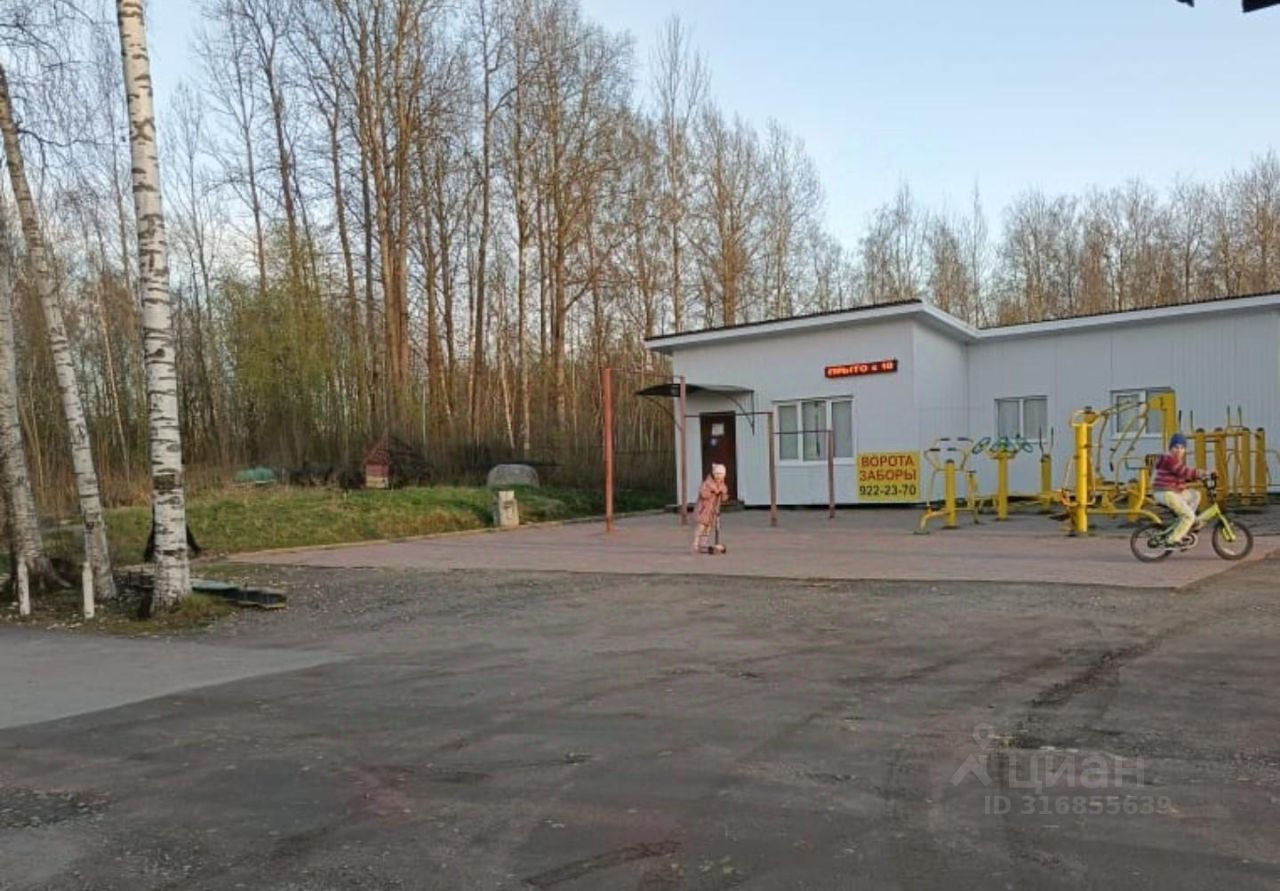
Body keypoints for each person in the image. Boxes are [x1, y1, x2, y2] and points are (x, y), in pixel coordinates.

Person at [1153, 432, 1211, 546]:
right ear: (1170, 448)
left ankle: (1186, 522)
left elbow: (1181, 475)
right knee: (1189, 516)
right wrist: (1204, 473)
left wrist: (1195, 479)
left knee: (1195, 494)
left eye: (1182, 448)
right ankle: (1173, 539)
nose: (1179, 450)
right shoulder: (1169, 459)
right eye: (1176, 447)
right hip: (1166, 493)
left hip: (1172, 491)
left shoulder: (1175, 461)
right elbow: (1183, 471)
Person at [691, 463, 728, 554]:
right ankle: (695, 543)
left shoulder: (722, 486)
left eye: (721, 475)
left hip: (712, 511)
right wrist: (712, 491)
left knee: (708, 528)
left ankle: (703, 544)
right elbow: (703, 494)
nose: (719, 477)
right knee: (701, 527)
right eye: (717, 474)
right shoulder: (707, 483)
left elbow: (724, 498)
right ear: (714, 474)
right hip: (704, 509)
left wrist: (723, 494)